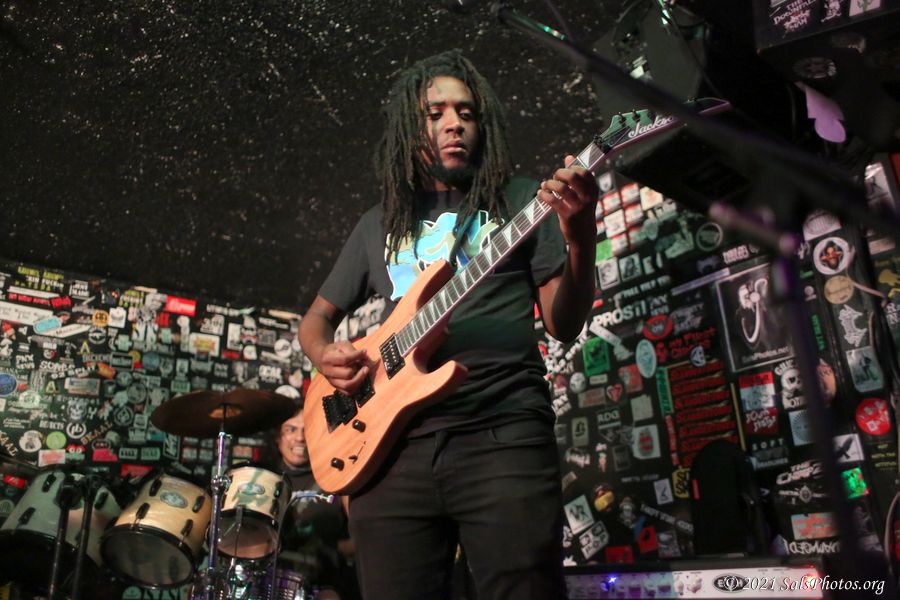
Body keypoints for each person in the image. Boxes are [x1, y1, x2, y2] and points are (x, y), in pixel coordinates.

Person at [298, 50, 598, 600]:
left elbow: (563, 323)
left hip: (501, 431)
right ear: (408, 130)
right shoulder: (378, 224)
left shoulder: (523, 201)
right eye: (434, 114)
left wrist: (580, 238)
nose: (454, 123)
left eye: (466, 112)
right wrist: (323, 355)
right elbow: (316, 321)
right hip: (389, 451)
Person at [269, 407, 359, 600]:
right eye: (291, 429)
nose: (300, 438)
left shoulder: (337, 477)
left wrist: (331, 549)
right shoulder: (264, 479)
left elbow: (362, 540)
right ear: (278, 437)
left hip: (324, 581)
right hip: (268, 579)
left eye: (308, 430)